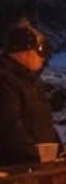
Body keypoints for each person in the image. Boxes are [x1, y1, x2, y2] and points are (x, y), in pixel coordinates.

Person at [0, 20, 57, 166]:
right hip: (17, 170)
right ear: (24, 52)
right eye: (40, 51)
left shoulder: (31, 82)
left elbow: (44, 123)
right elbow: (9, 127)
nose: (43, 58)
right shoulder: (5, 82)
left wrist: (58, 149)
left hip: (37, 165)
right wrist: (34, 155)